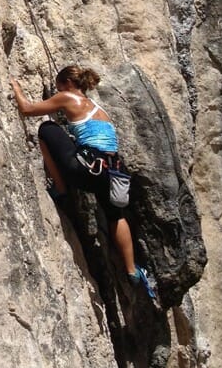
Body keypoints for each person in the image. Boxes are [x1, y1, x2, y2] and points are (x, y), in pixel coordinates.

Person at [11, 65, 158, 304]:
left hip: (86, 169)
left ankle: (59, 188)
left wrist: (16, 87)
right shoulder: (100, 110)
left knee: (47, 128)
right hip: (113, 174)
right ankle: (132, 270)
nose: (57, 91)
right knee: (115, 215)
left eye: (58, 86)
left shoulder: (68, 97)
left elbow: (27, 109)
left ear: (68, 82)